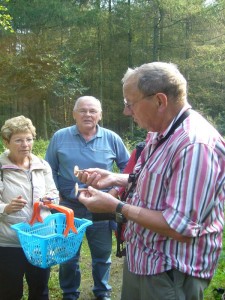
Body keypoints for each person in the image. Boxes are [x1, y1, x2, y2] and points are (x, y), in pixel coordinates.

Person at [77, 62, 225, 300]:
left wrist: (115, 206)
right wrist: (115, 178)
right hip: (143, 260)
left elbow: (181, 227)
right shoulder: (160, 132)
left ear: (159, 101)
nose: (127, 111)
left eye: (130, 103)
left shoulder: (195, 145)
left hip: (170, 272)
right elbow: (155, 179)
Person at [45, 95, 130, 300]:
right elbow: (49, 169)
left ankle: (102, 292)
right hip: (68, 207)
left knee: (102, 255)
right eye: (83, 110)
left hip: (101, 206)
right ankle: (69, 293)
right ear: (74, 114)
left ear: (100, 115)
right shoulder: (60, 137)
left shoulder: (111, 138)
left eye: (93, 111)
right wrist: (54, 198)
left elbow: (128, 168)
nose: (88, 115)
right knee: (68, 256)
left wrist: (113, 194)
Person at [0, 115, 59, 300]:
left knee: (40, 290)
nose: (25, 144)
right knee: (9, 292)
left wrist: (51, 198)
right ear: (7, 142)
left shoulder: (42, 165)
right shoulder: (1, 168)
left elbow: (54, 192)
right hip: (10, 242)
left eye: (29, 139)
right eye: (18, 140)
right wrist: (6, 208)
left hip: (40, 240)